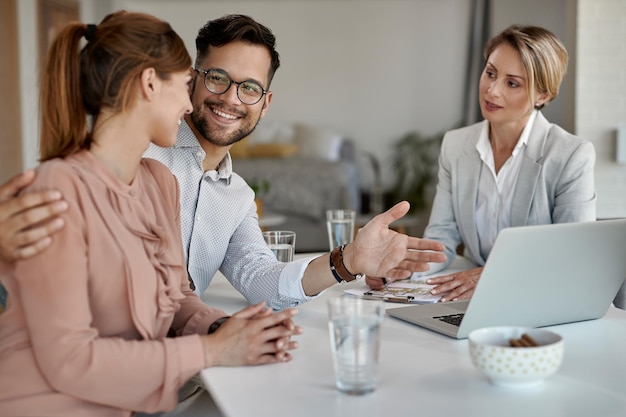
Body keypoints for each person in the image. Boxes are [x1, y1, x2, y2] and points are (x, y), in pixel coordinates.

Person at [0, 14, 446, 312]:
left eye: (249, 88)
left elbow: (262, 280)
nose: (231, 99)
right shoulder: (136, 155)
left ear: (265, 103)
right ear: (191, 80)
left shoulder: (236, 197)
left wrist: (348, 260)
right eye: (218, 78)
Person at [0, 11, 301, 416]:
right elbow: (70, 361)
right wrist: (211, 350)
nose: (189, 101)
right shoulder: (57, 189)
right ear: (148, 84)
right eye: (186, 84)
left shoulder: (158, 181)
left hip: (125, 398)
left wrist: (222, 328)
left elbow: (176, 294)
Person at [368, 24, 596, 300]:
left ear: (543, 95)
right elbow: (442, 238)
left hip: (537, 297)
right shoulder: (455, 145)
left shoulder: (570, 155)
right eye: (490, 73)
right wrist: (402, 269)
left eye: (512, 83)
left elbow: (571, 254)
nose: (492, 90)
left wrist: (493, 274)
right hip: (472, 298)